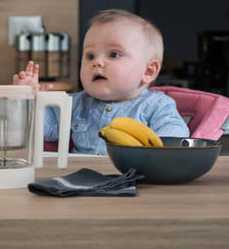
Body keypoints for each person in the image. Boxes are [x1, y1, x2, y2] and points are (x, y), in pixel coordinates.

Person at [13, 9, 189, 155]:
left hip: (134, 181)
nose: (97, 62)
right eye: (90, 56)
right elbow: (41, 129)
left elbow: (174, 137)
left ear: (148, 71)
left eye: (114, 54)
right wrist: (26, 99)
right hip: (80, 182)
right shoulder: (73, 104)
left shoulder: (157, 105)